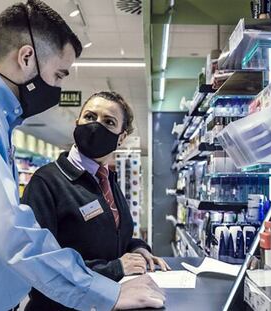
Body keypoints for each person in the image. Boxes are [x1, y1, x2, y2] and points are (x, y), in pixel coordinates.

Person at [0, 1, 165, 310]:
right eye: (59, 74)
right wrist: (102, 291)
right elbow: (9, 225)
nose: (58, 86)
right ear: (27, 57)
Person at [21, 91, 171, 310]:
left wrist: (138, 248)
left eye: (108, 122)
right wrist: (116, 268)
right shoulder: (46, 182)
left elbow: (114, 235)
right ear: (77, 123)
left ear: (121, 137)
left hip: (106, 302)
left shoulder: (107, 178)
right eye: (90, 117)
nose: (96, 125)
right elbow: (42, 265)